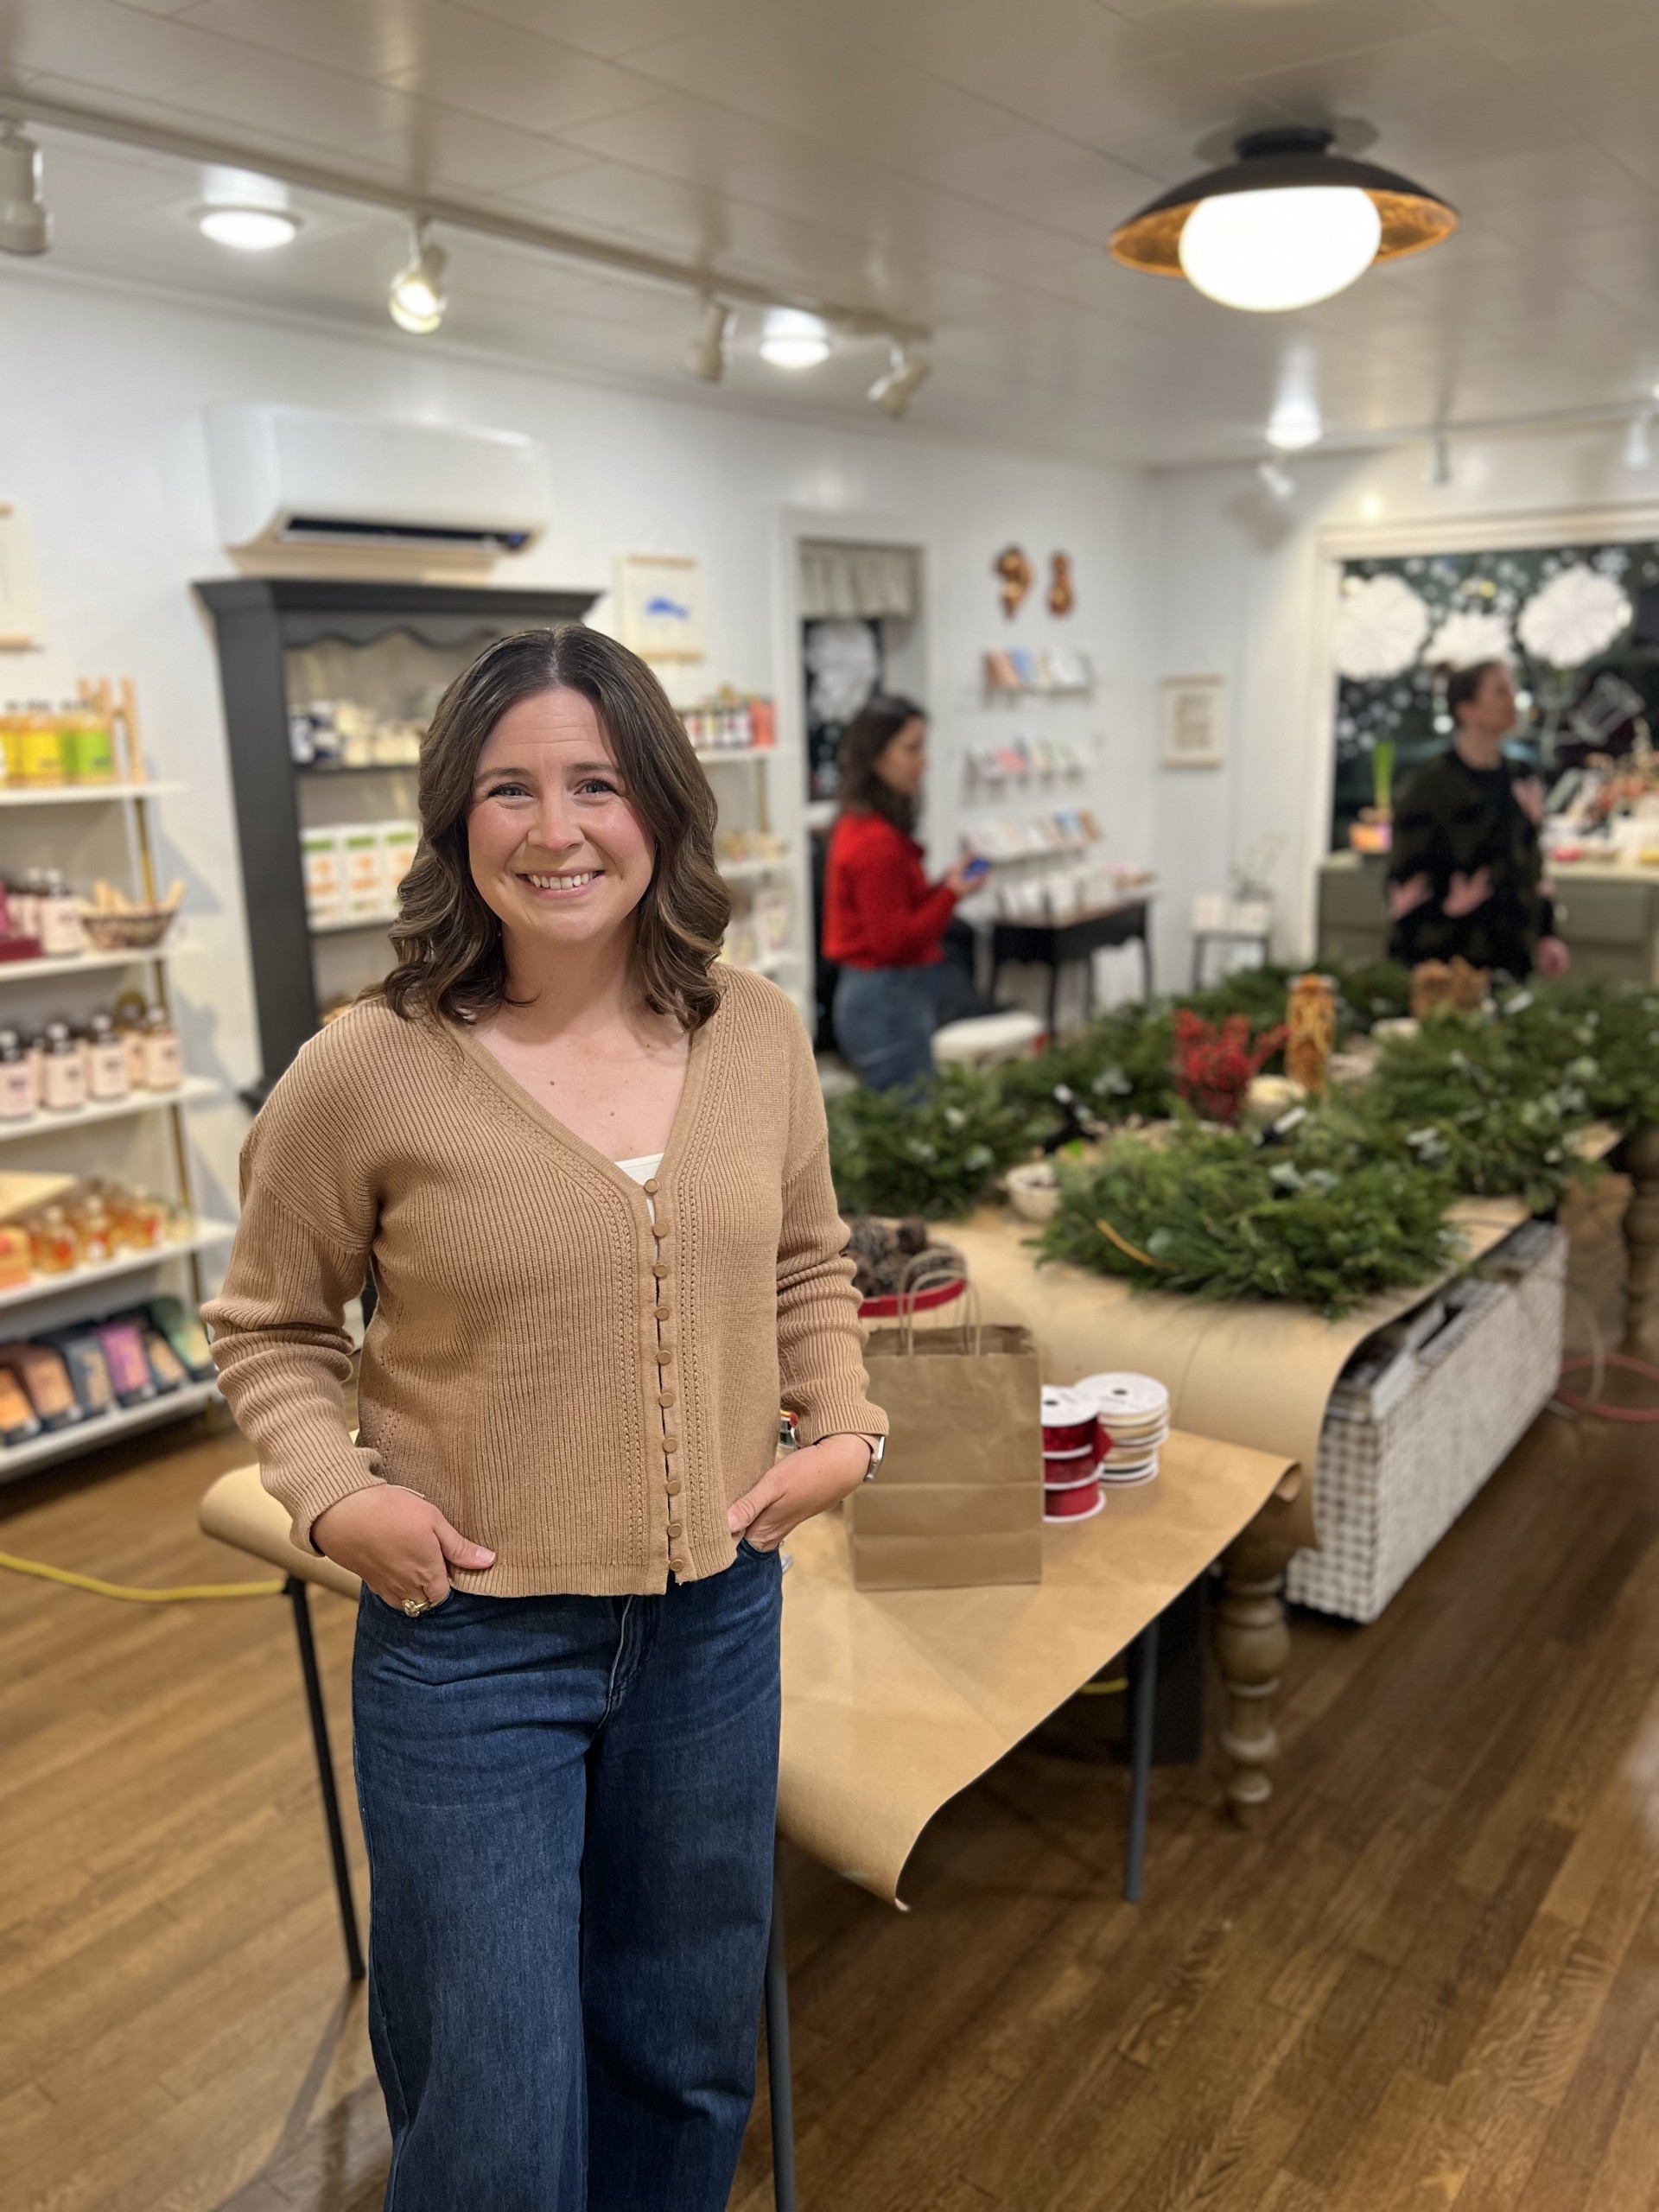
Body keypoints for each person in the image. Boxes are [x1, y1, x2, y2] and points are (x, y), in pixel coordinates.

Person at [204, 626, 887, 2211]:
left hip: (715, 1629)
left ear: (660, 805)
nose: (557, 828)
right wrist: (329, 1490)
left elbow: (806, 1258)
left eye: (596, 782)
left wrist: (844, 1423)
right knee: (494, 2108)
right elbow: (272, 1327)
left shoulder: (759, 1032)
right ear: (455, 822)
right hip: (469, 1644)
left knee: (685, 2050)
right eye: (509, 789)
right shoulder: (365, 1071)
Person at [822, 693, 981, 1088]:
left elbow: (898, 912)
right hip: (886, 1001)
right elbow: (893, 943)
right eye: (911, 749)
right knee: (913, 1122)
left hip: (883, 997)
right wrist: (951, 895)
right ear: (876, 756)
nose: (923, 761)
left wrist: (945, 887)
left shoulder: (864, 825)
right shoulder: (875, 841)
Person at [1387, 658, 1570, 980]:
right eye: (1500, 691)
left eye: (1512, 689)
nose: (1512, 699)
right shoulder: (1431, 783)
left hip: (1511, 955)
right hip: (1443, 957)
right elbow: (1406, 872)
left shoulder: (1520, 777)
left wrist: (1546, 932)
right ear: (1466, 709)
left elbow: (1533, 861)